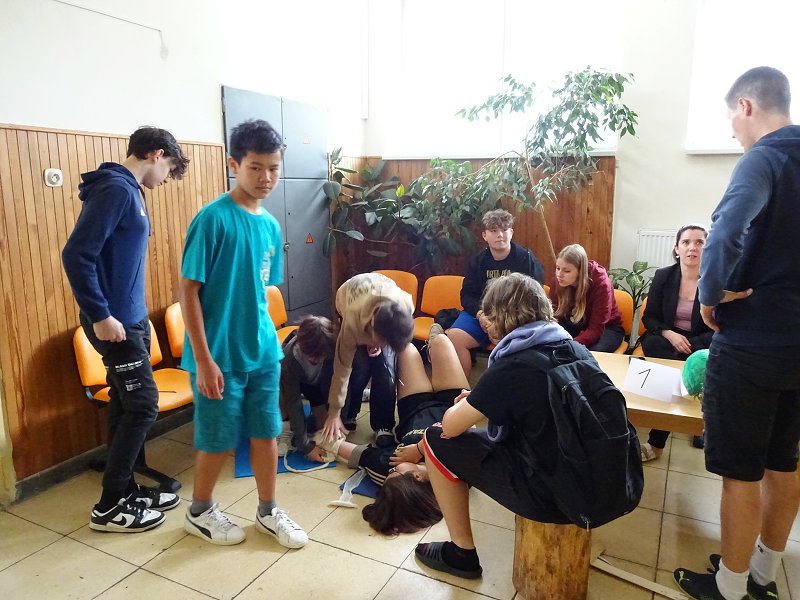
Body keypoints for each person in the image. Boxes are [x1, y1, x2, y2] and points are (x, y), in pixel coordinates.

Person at [674, 67, 800, 600]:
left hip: (753, 344)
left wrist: (709, 294)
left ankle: (729, 586)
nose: (733, 132)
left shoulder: (764, 158)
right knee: (783, 461)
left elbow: (724, 231)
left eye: (732, 118)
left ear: (746, 106)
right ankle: (763, 576)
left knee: (742, 472)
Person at [179, 119, 307, 548]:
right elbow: (188, 291)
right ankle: (199, 511)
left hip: (263, 352)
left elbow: (258, 292)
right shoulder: (212, 219)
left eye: (273, 168)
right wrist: (203, 360)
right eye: (255, 167)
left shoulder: (270, 225)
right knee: (216, 438)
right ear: (233, 164)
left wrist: (268, 345)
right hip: (218, 355)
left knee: (267, 432)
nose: (265, 177)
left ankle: (268, 511)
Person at [62, 126, 189, 533]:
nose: (166, 178)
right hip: (113, 323)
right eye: (169, 168)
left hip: (128, 319)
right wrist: (101, 315)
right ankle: (109, 506)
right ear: (156, 154)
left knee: (124, 402)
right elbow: (76, 255)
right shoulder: (115, 189)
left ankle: (126, 491)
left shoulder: (130, 191)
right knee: (144, 405)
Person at [414, 273, 582, 579]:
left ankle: (461, 553)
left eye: (489, 314)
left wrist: (472, 401)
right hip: (609, 483)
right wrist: (481, 399)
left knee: (435, 439)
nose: (485, 322)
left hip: (557, 497)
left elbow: (450, 427)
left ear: (501, 316)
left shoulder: (512, 364)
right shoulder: (574, 348)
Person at [316, 332, 470, 535]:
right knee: (441, 342)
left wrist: (316, 439)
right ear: (417, 476)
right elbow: (463, 431)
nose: (391, 471)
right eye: (395, 472)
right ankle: (433, 344)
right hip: (452, 403)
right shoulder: (456, 478)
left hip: (414, 406)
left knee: (405, 347)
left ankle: (428, 348)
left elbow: (348, 450)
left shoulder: (389, 467)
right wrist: (419, 450)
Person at [638, 224, 713, 462]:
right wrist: (670, 334)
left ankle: (656, 442)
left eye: (699, 242)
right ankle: (690, 417)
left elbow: (720, 326)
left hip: (700, 341)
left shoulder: (715, 280)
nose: (692, 247)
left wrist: (688, 343)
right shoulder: (664, 276)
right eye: (686, 242)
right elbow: (650, 318)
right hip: (667, 339)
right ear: (677, 248)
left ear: (707, 248)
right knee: (655, 346)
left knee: (690, 364)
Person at [318, 272, 415, 446]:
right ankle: (349, 413)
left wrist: (381, 345)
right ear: (372, 327)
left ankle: (383, 425)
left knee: (386, 369)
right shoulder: (352, 321)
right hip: (347, 295)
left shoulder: (406, 306)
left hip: (383, 293)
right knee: (358, 367)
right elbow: (341, 371)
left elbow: (393, 338)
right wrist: (334, 414)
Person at [446, 209, 545, 376]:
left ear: (511, 232)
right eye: (493, 230)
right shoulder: (477, 261)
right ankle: (461, 388)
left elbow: (535, 296)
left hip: (515, 317)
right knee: (455, 337)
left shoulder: (526, 259)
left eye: (504, 230)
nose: (500, 235)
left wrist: (505, 319)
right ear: (485, 235)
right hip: (482, 314)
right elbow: (467, 295)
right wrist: (480, 314)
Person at [279, 316, 336, 463]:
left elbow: (340, 383)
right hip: (294, 380)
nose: (316, 359)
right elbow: (294, 403)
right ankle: (285, 427)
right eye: (312, 356)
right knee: (285, 402)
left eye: (320, 356)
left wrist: (336, 417)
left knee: (324, 423)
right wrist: (305, 446)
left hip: (316, 381)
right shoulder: (289, 360)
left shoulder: (332, 347)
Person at [549, 243, 624, 352]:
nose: (559, 275)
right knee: (550, 346)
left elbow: (596, 329)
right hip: (574, 324)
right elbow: (554, 318)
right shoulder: (559, 280)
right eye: (558, 268)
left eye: (567, 271)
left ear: (580, 271)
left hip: (606, 328)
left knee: (589, 352)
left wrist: (570, 345)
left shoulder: (601, 283)